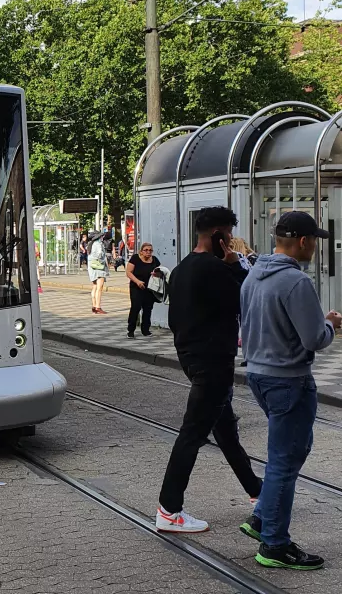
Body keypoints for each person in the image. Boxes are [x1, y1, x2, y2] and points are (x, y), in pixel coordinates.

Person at [238, 211, 339, 570]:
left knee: (291, 451)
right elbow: (314, 338)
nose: (315, 246)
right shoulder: (296, 283)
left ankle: (262, 518)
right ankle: (275, 545)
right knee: (285, 460)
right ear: (302, 242)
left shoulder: (253, 276)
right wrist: (330, 324)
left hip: (260, 377)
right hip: (288, 379)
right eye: (314, 240)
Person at [156, 206, 261, 533]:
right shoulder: (214, 269)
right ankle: (169, 509)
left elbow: (175, 320)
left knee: (225, 430)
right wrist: (236, 267)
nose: (231, 243)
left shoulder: (183, 268)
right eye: (228, 236)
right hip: (212, 362)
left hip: (192, 357)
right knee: (193, 432)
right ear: (217, 236)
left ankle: (258, 492)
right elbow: (248, 299)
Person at [126, 242, 160, 338]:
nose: (148, 252)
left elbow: (159, 270)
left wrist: (157, 274)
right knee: (136, 307)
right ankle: (131, 330)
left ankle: (145, 330)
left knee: (148, 308)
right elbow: (128, 272)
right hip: (136, 287)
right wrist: (137, 281)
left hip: (149, 288)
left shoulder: (154, 260)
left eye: (150, 250)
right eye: (146, 250)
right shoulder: (135, 258)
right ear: (141, 251)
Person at [87, 232, 109, 314]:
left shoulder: (90, 244)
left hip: (92, 267)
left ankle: (94, 305)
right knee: (100, 287)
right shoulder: (98, 244)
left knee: (94, 286)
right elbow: (100, 254)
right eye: (101, 236)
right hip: (99, 267)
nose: (102, 237)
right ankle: (98, 306)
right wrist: (103, 261)